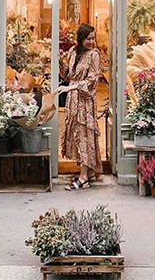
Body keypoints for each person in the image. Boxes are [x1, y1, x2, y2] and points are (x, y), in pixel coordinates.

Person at [54, 24, 102, 190]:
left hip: (85, 100)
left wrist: (71, 87)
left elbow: (92, 79)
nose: (91, 41)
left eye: (93, 38)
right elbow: (68, 75)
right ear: (81, 38)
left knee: (85, 135)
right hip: (73, 100)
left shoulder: (94, 55)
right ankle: (86, 172)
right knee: (76, 133)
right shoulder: (73, 52)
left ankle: (83, 178)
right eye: (88, 38)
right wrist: (59, 62)